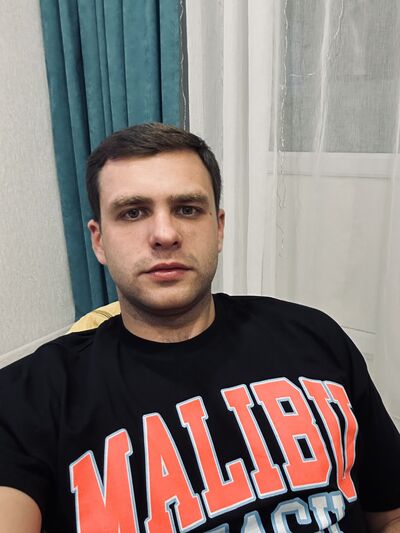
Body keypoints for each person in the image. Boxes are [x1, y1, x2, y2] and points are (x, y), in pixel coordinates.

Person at [0, 123, 399, 533]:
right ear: (99, 241)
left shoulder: (315, 337)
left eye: (187, 209)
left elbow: (391, 514)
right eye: (133, 212)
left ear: (218, 228)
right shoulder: (31, 396)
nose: (165, 234)